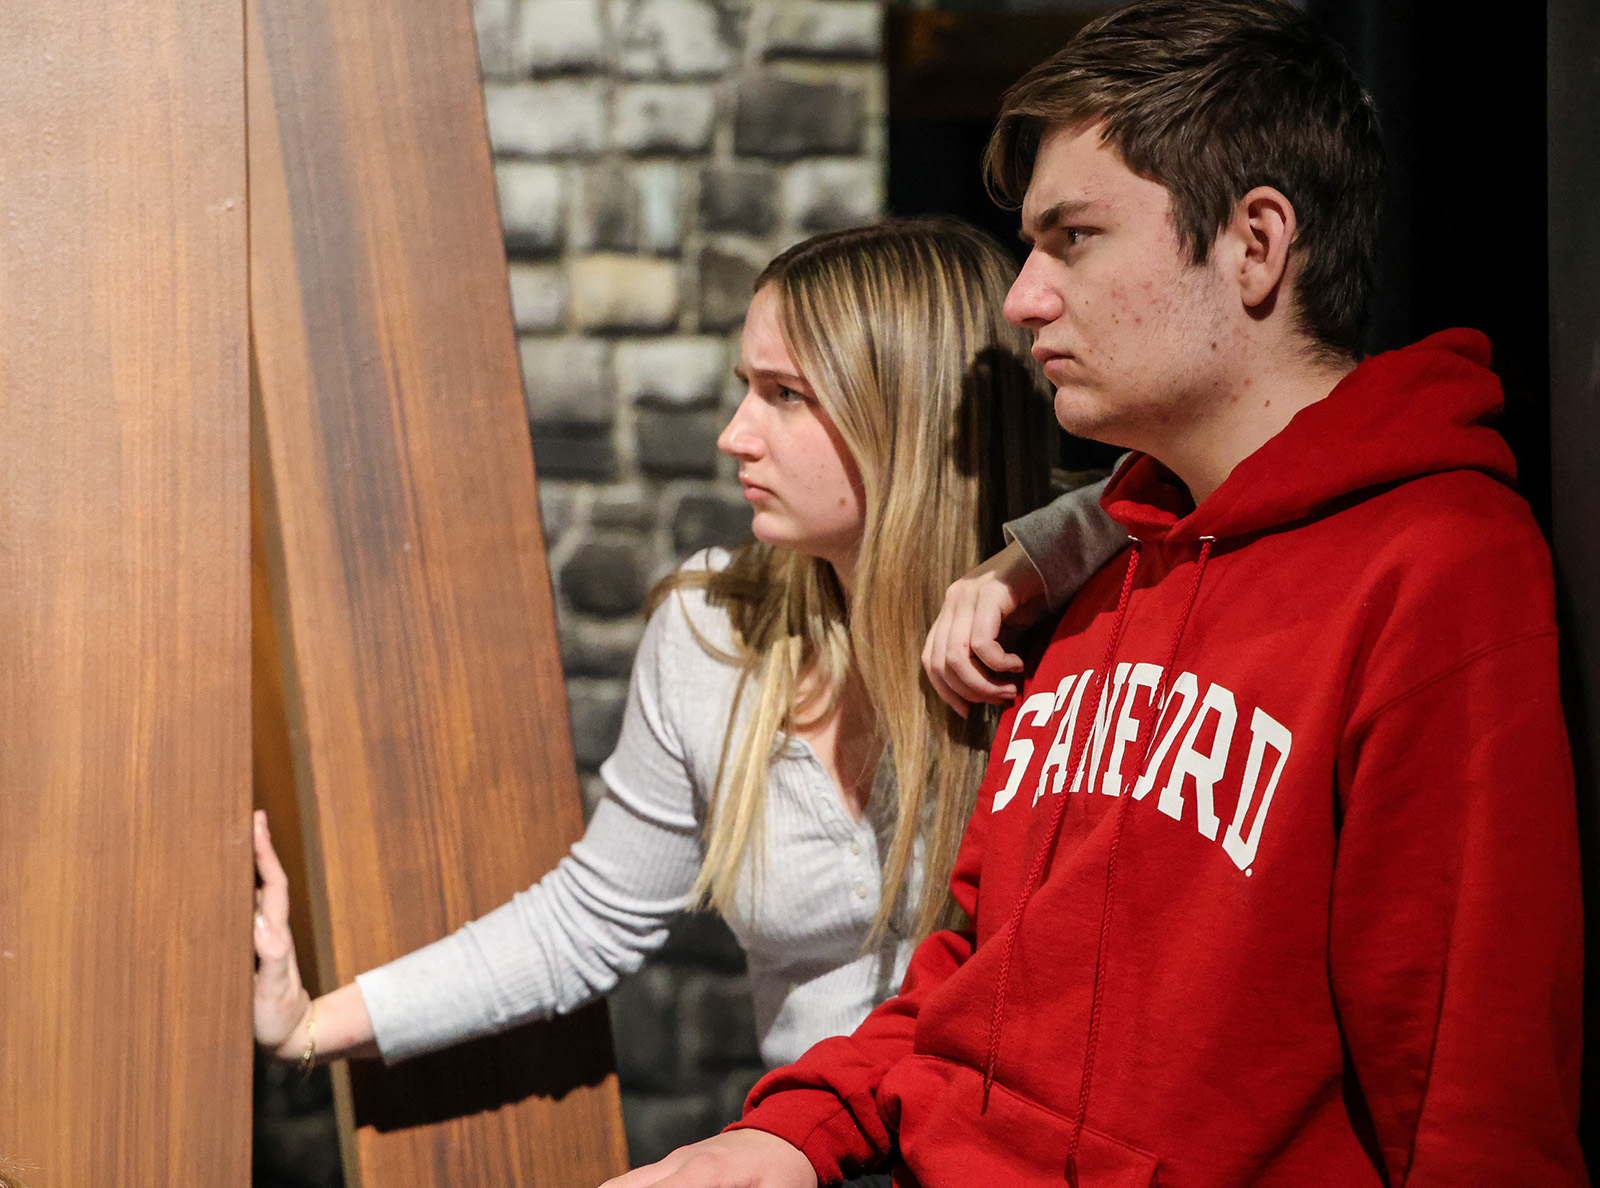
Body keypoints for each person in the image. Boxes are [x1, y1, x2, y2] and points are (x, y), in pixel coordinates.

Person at [605, 3, 1588, 1186]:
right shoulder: (1091, 570)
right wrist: (780, 1137)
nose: (1022, 297)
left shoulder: (1432, 565)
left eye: (1072, 238)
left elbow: (1472, 1104)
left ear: (1255, 243)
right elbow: (969, 980)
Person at [251, 218, 1126, 1086]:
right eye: (748, 388)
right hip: (802, 1140)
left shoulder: (1090, 619)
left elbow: (1174, 491)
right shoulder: (716, 629)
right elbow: (589, 918)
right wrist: (310, 1024)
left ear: (908, 415)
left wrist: (1040, 554)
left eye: (785, 395)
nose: (735, 434)